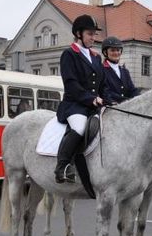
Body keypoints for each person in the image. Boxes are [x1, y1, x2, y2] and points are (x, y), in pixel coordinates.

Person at [54, 14, 110, 183]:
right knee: (79, 128)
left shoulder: (95, 57)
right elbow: (71, 84)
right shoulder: (69, 54)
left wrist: (107, 99)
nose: (93, 38)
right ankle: (61, 167)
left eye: (94, 34)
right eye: (90, 34)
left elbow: (103, 84)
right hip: (75, 105)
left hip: (94, 106)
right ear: (79, 34)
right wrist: (91, 99)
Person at [101, 36, 139, 103]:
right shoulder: (101, 69)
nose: (116, 53)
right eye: (112, 50)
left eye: (118, 50)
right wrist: (126, 100)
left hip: (126, 107)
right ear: (105, 52)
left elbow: (132, 90)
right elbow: (106, 92)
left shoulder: (125, 71)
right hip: (110, 106)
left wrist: (140, 98)